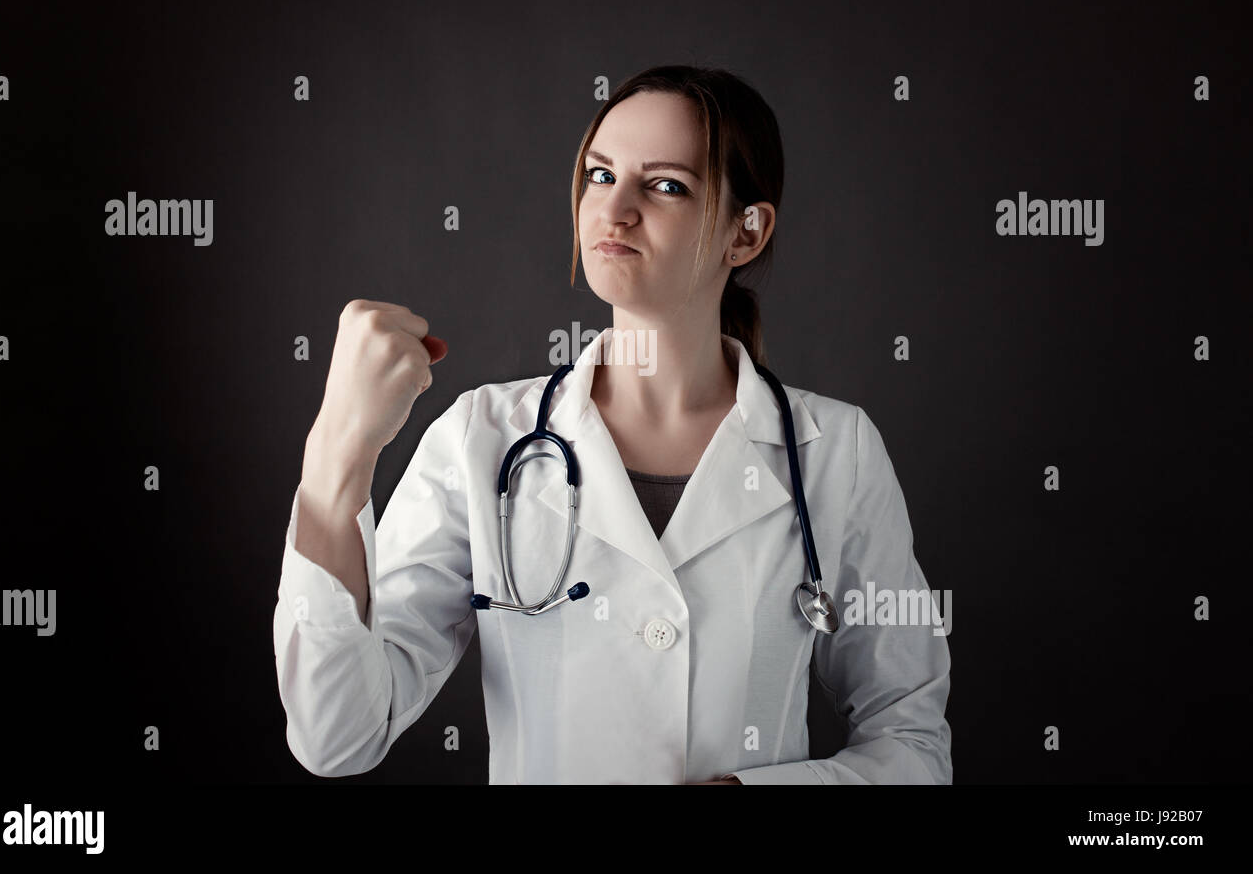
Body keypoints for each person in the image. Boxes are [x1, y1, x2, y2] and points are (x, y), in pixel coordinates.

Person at [273, 65, 952, 784]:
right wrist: (335, 457)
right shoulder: (482, 440)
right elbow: (338, 734)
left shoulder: (835, 452)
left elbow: (911, 739)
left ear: (745, 234)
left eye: (665, 186)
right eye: (600, 175)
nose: (615, 210)